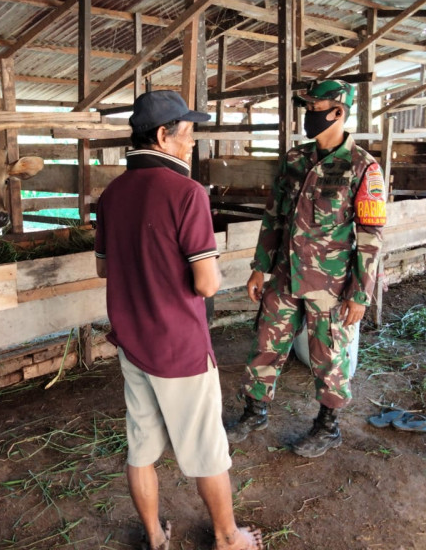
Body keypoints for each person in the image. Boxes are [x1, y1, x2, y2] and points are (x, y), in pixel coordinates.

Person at [95, 90, 263, 550]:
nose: (192, 143)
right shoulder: (186, 193)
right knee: (208, 448)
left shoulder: (112, 194)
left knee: (141, 448)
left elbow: (104, 268)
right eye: (187, 134)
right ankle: (229, 537)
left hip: (133, 342)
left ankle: (154, 537)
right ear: (163, 135)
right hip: (179, 346)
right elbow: (207, 285)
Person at [225, 79, 386, 458]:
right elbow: (274, 218)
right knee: (265, 344)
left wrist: (360, 293)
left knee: (330, 356)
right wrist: (258, 269)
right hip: (283, 276)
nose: (308, 115)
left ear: (338, 112)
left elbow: (371, 235)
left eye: (315, 108)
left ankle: (328, 427)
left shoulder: (363, 167)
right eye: (307, 108)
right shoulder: (295, 159)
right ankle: (254, 411)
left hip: (330, 285)